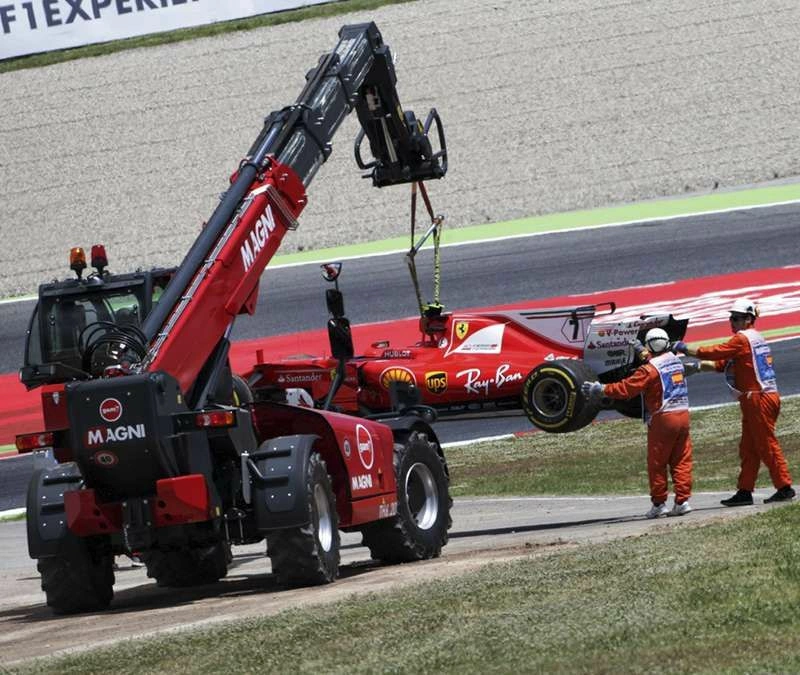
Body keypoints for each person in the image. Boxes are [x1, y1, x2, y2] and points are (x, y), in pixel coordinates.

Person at [673, 298, 794, 506]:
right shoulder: (754, 338)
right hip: (758, 397)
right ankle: (745, 491)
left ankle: (784, 487)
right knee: (749, 447)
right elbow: (723, 364)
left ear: (748, 319)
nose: (732, 321)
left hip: (758, 398)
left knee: (766, 444)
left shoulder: (742, 339)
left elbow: (715, 352)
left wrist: (684, 348)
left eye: (736, 318)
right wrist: (696, 368)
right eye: (731, 318)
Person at [583, 328, 693, 519]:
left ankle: (659, 504)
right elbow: (655, 360)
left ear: (650, 346)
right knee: (681, 460)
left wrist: (602, 389)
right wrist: (641, 349)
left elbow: (626, 388)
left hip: (663, 419)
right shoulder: (675, 360)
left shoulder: (648, 370)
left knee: (657, 463)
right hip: (683, 415)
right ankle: (682, 502)